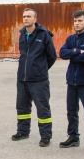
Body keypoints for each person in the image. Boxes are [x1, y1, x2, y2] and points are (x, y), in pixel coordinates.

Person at [12, 8, 56, 146]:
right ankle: (23, 132)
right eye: (24, 16)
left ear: (35, 19)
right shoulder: (22, 34)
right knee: (22, 108)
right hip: (22, 79)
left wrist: (40, 69)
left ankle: (45, 136)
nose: (25, 19)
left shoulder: (44, 35)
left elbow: (52, 56)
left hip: (38, 80)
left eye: (29, 16)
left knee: (43, 108)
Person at [59, 9, 84, 154]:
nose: (77, 23)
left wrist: (74, 54)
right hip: (72, 82)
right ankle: (73, 137)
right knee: (71, 111)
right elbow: (62, 53)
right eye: (75, 21)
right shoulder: (71, 39)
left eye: (80, 21)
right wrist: (77, 51)